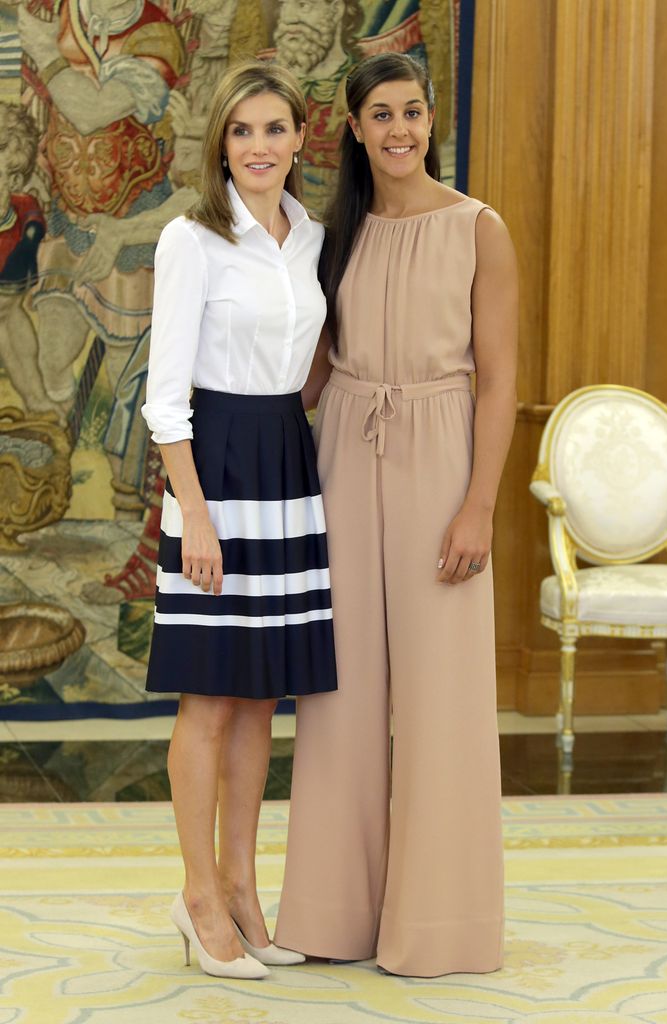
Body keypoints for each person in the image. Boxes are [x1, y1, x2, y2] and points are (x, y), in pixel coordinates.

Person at [275, 52, 518, 978]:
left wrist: (478, 507)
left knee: (441, 696)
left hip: (440, 455)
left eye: (412, 111)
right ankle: (329, 918)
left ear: (428, 119)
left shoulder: (477, 227)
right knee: (338, 697)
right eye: (381, 114)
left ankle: (441, 928)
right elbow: (311, 368)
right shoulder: (333, 233)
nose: (401, 129)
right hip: (345, 451)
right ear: (355, 128)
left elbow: (498, 381)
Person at [140, 58, 337, 980]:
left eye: (275, 129)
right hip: (212, 466)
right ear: (221, 141)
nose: (259, 147)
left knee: (262, 693)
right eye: (242, 131)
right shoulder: (191, 239)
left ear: (302, 138)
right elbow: (163, 393)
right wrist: (195, 513)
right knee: (209, 696)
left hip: (285, 464)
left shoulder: (312, 238)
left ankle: (242, 888)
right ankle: (195, 896)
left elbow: (313, 364)